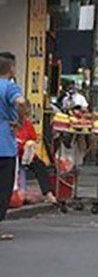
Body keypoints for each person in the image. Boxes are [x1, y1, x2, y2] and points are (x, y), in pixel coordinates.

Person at [1, 51, 30, 240]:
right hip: (4, 145)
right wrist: (20, 119)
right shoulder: (9, 87)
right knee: (2, 188)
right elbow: (21, 103)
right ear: (11, 68)